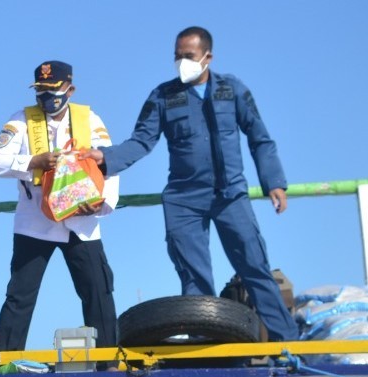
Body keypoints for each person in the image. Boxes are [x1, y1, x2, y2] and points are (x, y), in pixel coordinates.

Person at [85, 26, 299, 341]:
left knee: (256, 269)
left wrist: (274, 182)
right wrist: (104, 157)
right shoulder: (162, 95)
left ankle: (290, 345)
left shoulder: (233, 89)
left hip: (230, 197)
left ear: (207, 57)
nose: (182, 62)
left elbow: (259, 137)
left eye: (189, 56)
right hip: (184, 199)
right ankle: (208, 348)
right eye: (177, 56)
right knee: (195, 281)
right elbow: (142, 141)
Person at [0, 60, 119, 351]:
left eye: (53, 90)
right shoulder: (21, 120)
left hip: (82, 223)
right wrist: (31, 162)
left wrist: (102, 205)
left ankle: (109, 361)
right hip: (36, 223)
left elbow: (109, 164)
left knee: (98, 291)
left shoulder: (90, 119)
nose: (46, 97)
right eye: (40, 91)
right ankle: (6, 362)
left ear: (70, 89)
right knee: (20, 295)